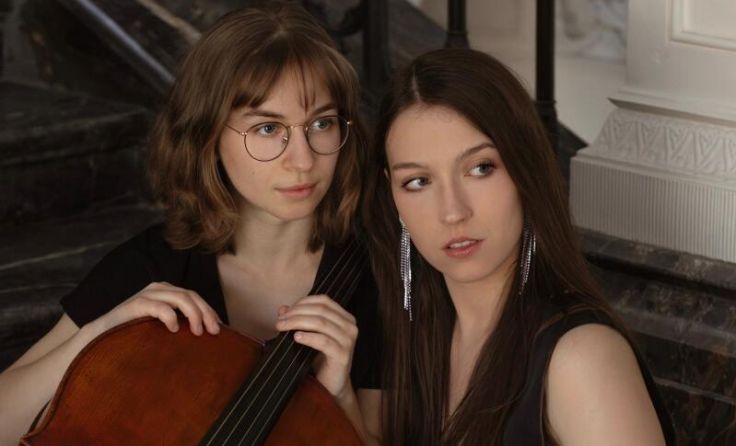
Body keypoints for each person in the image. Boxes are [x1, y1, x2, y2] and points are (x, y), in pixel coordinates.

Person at [0, 3, 381, 444]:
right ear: (209, 135)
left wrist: (340, 396)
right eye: (267, 128)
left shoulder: (381, 279)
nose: (303, 160)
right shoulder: (151, 266)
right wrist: (95, 337)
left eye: (321, 123)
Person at [362, 48, 674, 445]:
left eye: (480, 168)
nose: (453, 211)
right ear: (392, 195)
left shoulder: (581, 359)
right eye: (418, 182)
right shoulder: (421, 338)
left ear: (524, 170)